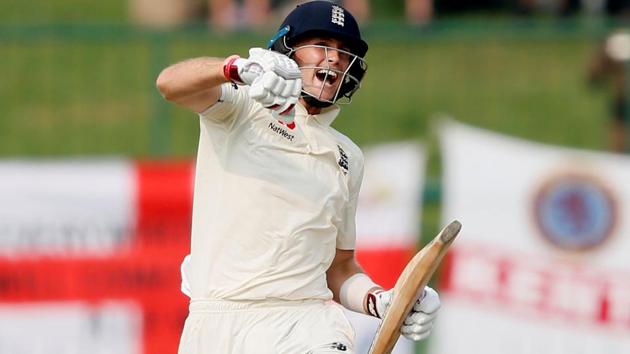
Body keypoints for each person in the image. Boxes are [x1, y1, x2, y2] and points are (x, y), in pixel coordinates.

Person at [156, 1, 441, 353]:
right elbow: (169, 84)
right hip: (216, 322)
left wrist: (380, 301)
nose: (334, 59)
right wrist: (235, 68)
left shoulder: (348, 157)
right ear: (287, 49)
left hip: (304, 323)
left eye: (343, 52)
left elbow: (339, 267)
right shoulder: (242, 106)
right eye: (322, 44)